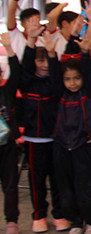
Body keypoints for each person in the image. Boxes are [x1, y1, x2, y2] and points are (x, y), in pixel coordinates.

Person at [43, 29, 91, 234]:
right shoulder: (60, 95)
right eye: (68, 79)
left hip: (82, 148)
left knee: (84, 190)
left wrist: (85, 54)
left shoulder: (88, 93)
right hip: (61, 148)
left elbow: (86, 72)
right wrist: (51, 55)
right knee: (65, 191)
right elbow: (56, 79)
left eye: (76, 78)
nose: (73, 83)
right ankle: (75, 221)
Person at [18, 23, 69, 232]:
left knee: (58, 180)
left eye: (47, 60)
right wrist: (30, 43)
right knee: (36, 180)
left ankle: (59, 214)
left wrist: (51, 54)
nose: (44, 64)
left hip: (56, 139)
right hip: (34, 140)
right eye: (40, 60)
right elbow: (24, 69)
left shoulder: (55, 84)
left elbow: (57, 76)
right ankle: (39, 215)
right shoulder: (27, 84)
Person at [0, 33, 21, 234]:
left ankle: (11, 220)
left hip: (7, 146)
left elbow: (16, 72)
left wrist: (9, 49)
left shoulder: (6, 92)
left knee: (10, 184)